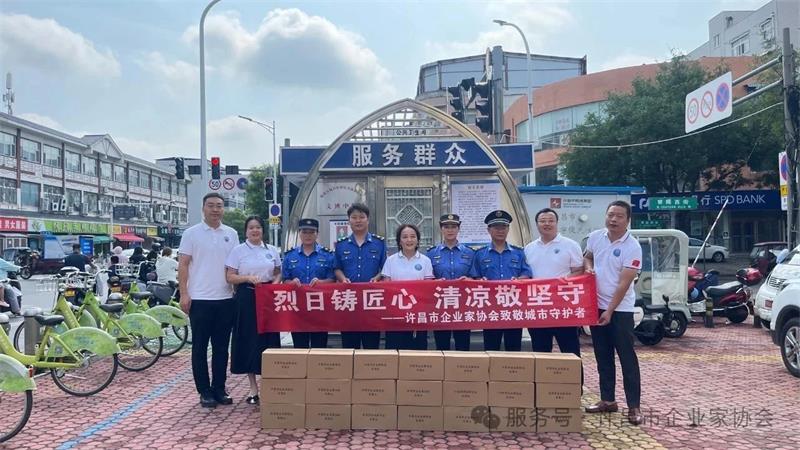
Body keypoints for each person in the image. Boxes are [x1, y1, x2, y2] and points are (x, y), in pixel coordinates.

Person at [583, 200, 644, 425]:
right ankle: (607, 400)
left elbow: (624, 283)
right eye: (610, 215)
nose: (613, 219)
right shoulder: (595, 237)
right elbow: (588, 256)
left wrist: (609, 311)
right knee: (603, 356)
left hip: (620, 310)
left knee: (627, 358)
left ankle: (634, 406)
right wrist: (589, 268)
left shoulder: (633, 246)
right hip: (596, 306)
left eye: (619, 216)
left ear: (628, 220)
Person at [178, 192, 239, 408]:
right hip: (200, 299)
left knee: (222, 348)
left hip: (226, 298)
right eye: (211, 205)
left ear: (223, 209)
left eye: (219, 206)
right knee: (200, 347)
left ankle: (219, 388)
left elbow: (235, 265)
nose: (215, 209)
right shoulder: (191, 234)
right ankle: (204, 391)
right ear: (203, 208)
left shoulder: (231, 234)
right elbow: (183, 264)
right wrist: (184, 293)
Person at [225, 215, 282, 405]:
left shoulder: (271, 250)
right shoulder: (238, 251)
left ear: (263, 230)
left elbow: (278, 272)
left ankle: (269, 385)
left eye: (258, 227)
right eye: (251, 228)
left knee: (269, 339)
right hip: (247, 297)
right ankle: (253, 388)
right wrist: (248, 278)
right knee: (248, 339)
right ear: (246, 231)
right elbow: (230, 277)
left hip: (268, 297)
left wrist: (275, 283)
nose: (255, 231)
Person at [524, 208, 584, 357]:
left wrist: (558, 285)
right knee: (540, 352)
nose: (547, 224)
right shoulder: (529, 248)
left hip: (563, 307)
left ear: (557, 223)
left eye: (551, 221)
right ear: (537, 224)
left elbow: (579, 271)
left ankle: (575, 374)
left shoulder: (571, 245)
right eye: (542, 221)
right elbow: (526, 275)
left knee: (570, 350)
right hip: (538, 308)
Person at [471, 210, 532, 351]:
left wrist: (518, 279)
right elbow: (474, 276)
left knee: (514, 348)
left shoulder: (518, 252)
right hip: (490, 308)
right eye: (496, 227)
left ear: (508, 229)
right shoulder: (480, 254)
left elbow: (527, 273)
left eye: (503, 227)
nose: (500, 230)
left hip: (513, 307)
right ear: (488, 230)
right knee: (491, 348)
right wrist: (480, 280)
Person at [333, 203, 386, 349]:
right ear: (349, 220)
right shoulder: (341, 245)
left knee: (371, 346)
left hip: (371, 301)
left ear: (368, 220)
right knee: (350, 346)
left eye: (362, 217)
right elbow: (336, 268)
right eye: (354, 217)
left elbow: (385, 268)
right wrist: (342, 278)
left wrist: (377, 277)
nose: (358, 221)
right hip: (348, 301)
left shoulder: (379, 243)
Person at [380, 224, 434, 350]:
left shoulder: (425, 260)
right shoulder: (391, 260)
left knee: (417, 353)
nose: (409, 240)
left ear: (418, 240)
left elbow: (428, 287)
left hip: (418, 315)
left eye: (413, 236)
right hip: (395, 316)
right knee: (395, 352)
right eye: (404, 237)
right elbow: (386, 287)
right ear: (399, 241)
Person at [282, 218, 334, 349]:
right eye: (304, 232)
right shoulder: (290, 256)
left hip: (320, 309)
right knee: (300, 346)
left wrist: (321, 282)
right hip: (297, 309)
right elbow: (285, 279)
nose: (308, 235)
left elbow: (333, 279)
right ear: (299, 233)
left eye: (311, 232)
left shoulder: (327, 255)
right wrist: (292, 282)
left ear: (317, 234)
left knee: (319, 347)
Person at [427, 214, 475, 351]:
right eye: (446, 227)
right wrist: (435, 282)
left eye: (453, 227)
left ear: (458, 229)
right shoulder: (431, 253)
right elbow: (427, 279)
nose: (450, 230)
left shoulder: (470, 253)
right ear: (441, 229)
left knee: (463, 346)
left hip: (463, 304)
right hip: (440, 305)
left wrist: (469, 280)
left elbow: (476, 277)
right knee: (442, 346)